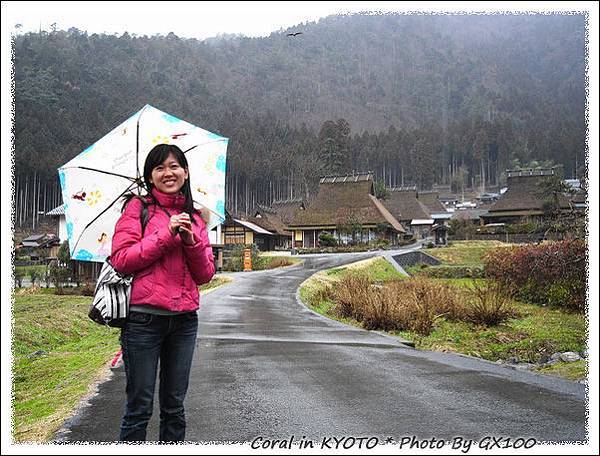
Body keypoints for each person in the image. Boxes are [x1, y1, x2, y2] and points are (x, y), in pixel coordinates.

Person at [110, 143, 215, 442]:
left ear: (185, 171)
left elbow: (205, 275)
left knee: (174, 408)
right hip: (143, 321)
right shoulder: (137, 208)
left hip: (184, 322)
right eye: (159, 168)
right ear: (149, 176)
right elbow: (122, 259)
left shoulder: (195, 218)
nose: (168, 173)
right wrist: (166, 235)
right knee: (139, 408)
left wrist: (191, 241)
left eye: (174, 166)